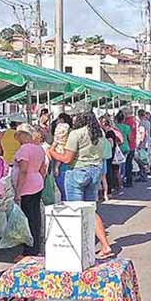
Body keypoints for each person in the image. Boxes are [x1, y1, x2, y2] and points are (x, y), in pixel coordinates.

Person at [48, 111, 115, 259]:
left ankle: (78, 248)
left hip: (77, 172)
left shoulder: (76, 134)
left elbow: (66, 158)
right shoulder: (100, 134)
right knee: (90, 210)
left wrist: (51, 152)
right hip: (95, 172)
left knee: (75, 210)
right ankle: (102, 244)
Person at [13, 124, 47, 256]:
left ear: (23, 135)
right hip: (37, 182)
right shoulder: (39, 149)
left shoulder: (24, 150)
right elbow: (43, 169)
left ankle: (29, 249)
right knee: (35, 216)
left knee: (26, 218)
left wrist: (18, 192)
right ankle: (35, 246)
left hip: (26, 186)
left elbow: (23, 171)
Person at [114, 111, 132, 186]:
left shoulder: (115, 127)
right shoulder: (127, 127)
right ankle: (122, 179)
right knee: (123, 164)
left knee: (117, 165)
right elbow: (129, 138)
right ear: (123, 119)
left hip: (118, 147)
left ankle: (118, 181)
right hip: (126, 147)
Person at [134, 109, 151, 182]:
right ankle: (144, 174)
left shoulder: (141, 123)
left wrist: (139, 144)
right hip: (147, 142)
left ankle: (143, 175)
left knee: (140, 159)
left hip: (143, 144)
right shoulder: (148, 122)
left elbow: (142, 134)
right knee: (144, 159)